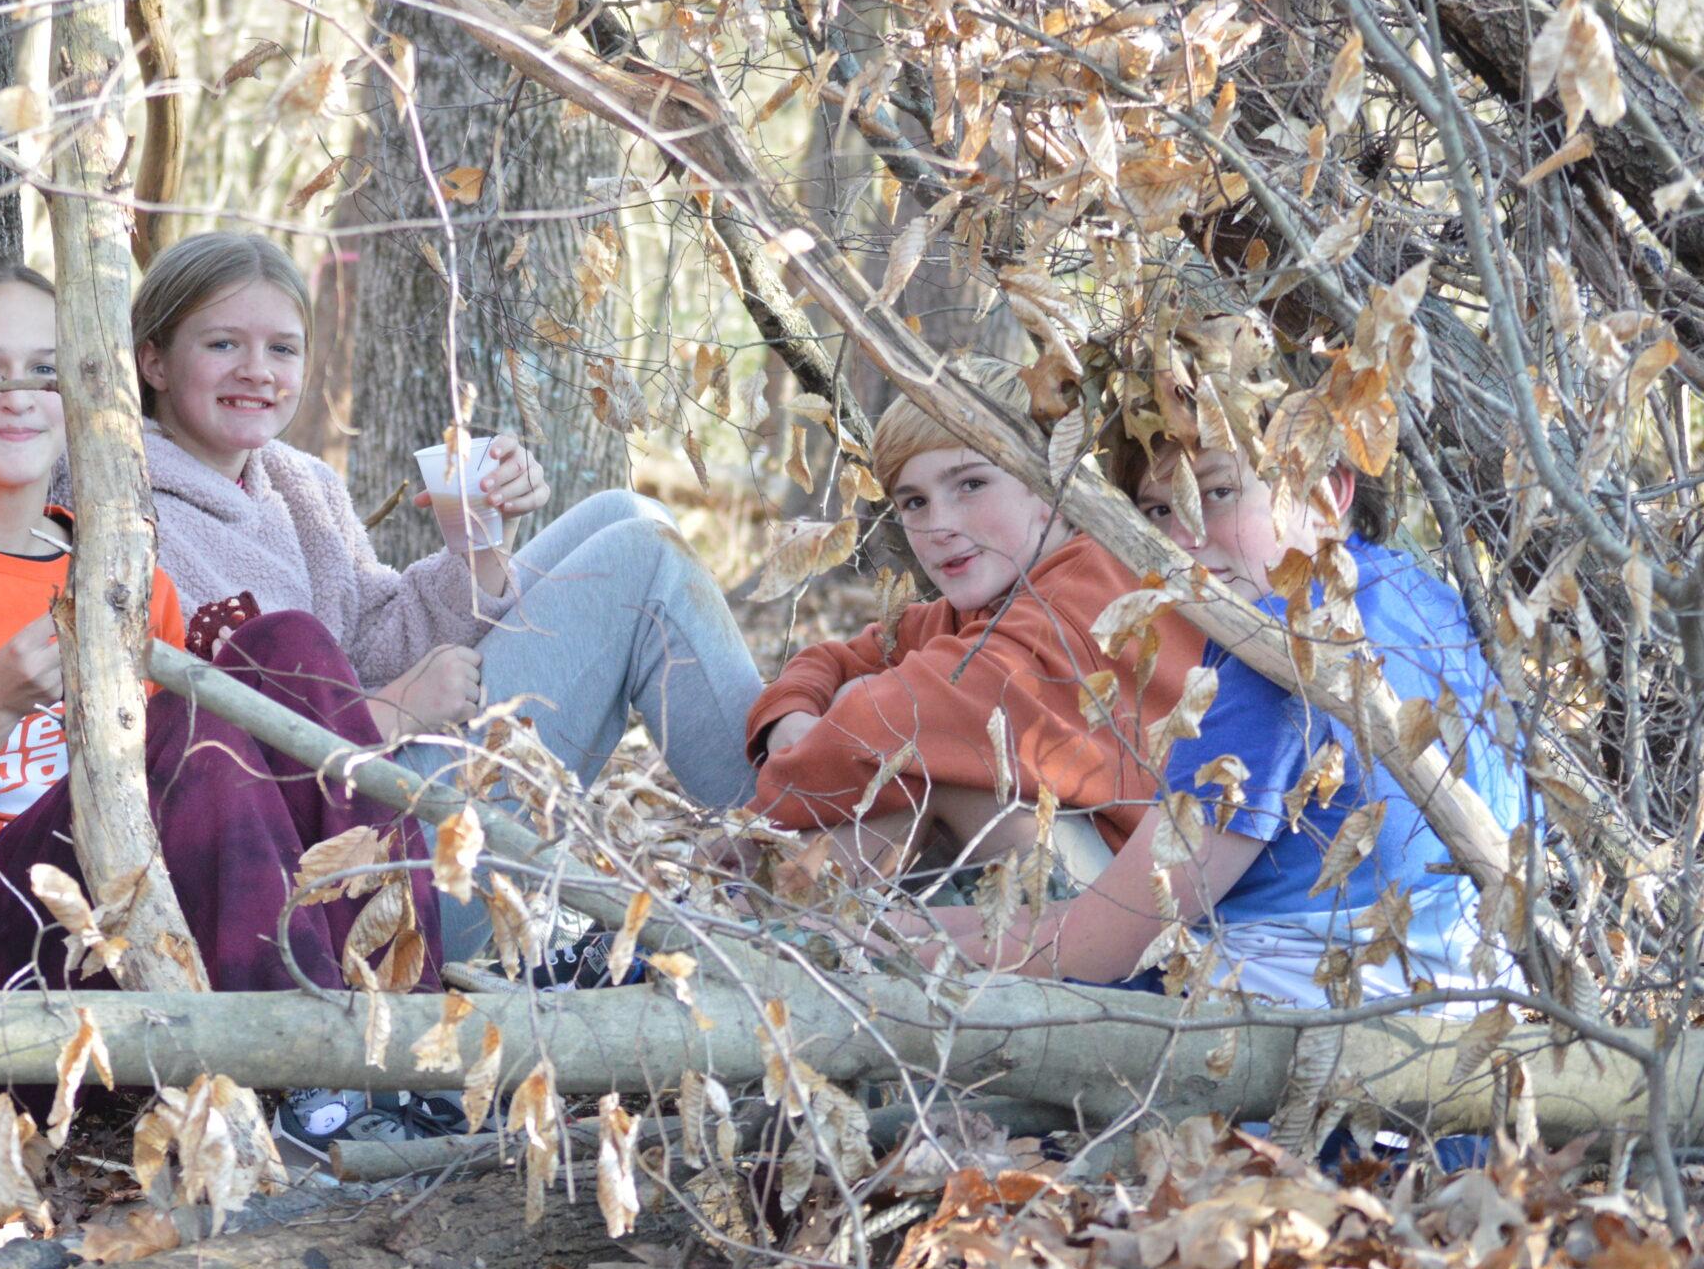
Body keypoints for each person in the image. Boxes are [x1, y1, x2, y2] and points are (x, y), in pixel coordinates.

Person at [0, 260, 454, 1155]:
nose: (20, 396)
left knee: (288, 648)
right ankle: (305, 1086)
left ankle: (409, 1044)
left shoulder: (128, 578)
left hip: (130, 942)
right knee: (206, 737)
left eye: (48, 371)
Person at [123, 232, 767, 953]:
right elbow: (203, 768)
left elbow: (375, 639)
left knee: (628, 513)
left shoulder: (299, 485)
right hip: (334, 881)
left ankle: (791, 838)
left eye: (282, 348)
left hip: (383, 784)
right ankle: (798, 854)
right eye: (222, 344)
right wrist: (391, 712)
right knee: (639, 564)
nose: (257, 370)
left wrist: (482, 544)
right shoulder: (125, 514)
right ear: (154, 360)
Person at [872, 341, 1524, 1007]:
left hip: (1293, 1033)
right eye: (1158, 511)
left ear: (1328, 490)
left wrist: (878, 943)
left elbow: (1099, 946)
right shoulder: (1426, 598)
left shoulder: (1278, 659)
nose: (1183, 540)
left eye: (1216, 493)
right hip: (1480, 1002)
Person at [747, 358, 1206, 882]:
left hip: (1134, 900)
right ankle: (766, 901)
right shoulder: (983, 606)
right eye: (914, 502)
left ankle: (762, 902)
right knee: (899, 733)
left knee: (933, 759)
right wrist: (789, 718)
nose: (938, 525)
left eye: (970, 484)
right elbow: (839, 659)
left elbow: (891, 723)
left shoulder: (1089, 589)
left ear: (1052, 484)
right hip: (1066, 874)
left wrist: (772, 790)